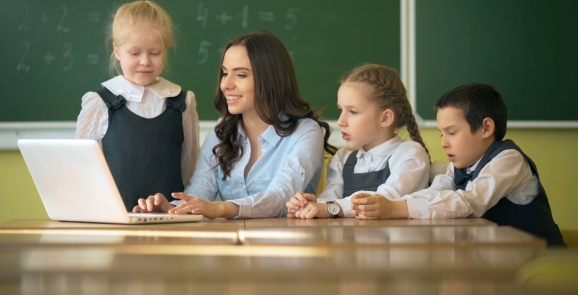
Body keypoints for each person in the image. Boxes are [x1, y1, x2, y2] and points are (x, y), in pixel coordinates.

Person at [133, 30, 337, 219]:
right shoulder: (222, 131)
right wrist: (173, 209)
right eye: (224, 72)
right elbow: (200, 190)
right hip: (233, 247)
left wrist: (220, 207)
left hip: (288, 250)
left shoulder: (306, 132)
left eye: (240, 75)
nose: (225, 85)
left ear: (271, 79)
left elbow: (279, 197)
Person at [351, 83, 566, 246]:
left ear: (486, 128)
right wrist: (389, 203)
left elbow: (469, 202)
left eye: (452, 132)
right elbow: (436, 191)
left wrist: (397, 208)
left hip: (541, 265)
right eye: (441, 133)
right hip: (505, 262)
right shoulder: (461, 164)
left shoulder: (508, 160)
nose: (443, 143)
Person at [76, 0, 199, 210]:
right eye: (135, 53)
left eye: (155, 53)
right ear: (117, 51)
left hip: (170, 219)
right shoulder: (100, 103)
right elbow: (83, 168)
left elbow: (188, 167)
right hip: (116, 219)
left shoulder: (182, 102)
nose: (145, 61)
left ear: (166, 50)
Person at [285, 64, 430, 219]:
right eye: (341, 110)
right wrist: (309, 205)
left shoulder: (410, 154)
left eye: (353, 112)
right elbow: (330, 201)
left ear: (385, 118)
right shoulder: (342, 159)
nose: (341, 121)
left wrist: (329, 207)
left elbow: (383, 199)